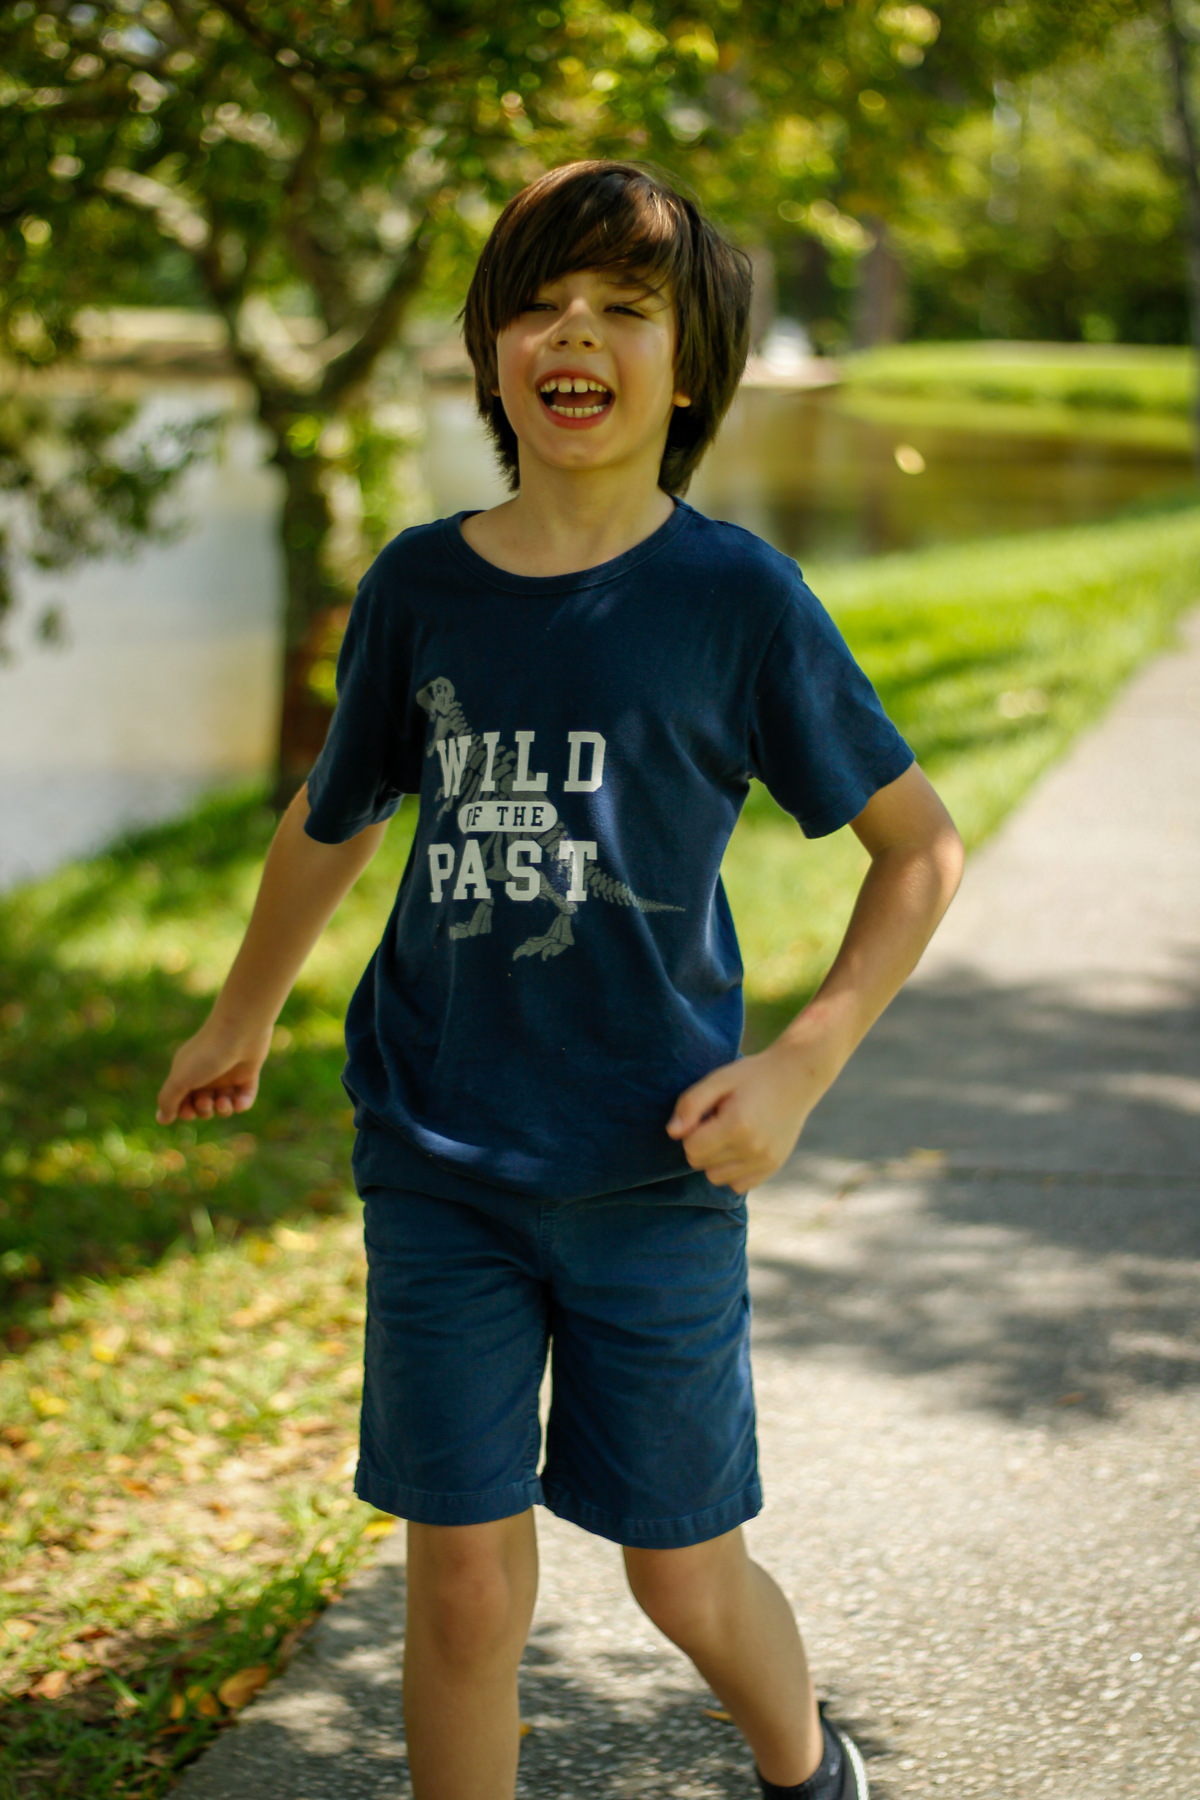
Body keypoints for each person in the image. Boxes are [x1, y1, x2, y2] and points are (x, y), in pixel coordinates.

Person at [156, 160, 964, 1800]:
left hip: (652, 1167)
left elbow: (919, 849)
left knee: (684, 1576)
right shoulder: (419, 586)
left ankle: (810, 1769)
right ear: (491, 354)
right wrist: (241, 1012)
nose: (573, 333)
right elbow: (335, 816)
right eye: (537, 304)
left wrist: (800, 1064)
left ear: (691, 370)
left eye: (622, 307)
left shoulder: (736, 600)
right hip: (439, 1154)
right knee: (459, 1583)